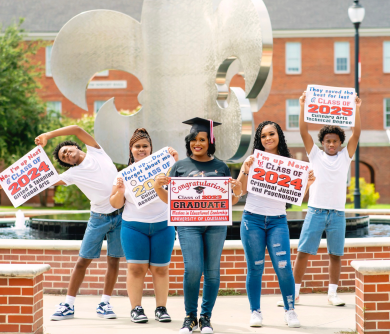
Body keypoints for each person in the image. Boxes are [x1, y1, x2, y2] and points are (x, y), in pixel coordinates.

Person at [153, 117, 242, 334]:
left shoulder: (221, 167)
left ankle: (206, 317)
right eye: (194, 139)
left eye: (202, 139)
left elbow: (229, 201)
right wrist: (158, 186)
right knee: (193, 269)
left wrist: (237, 190)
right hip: (187, 224)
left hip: (215, 225)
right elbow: (170, 200)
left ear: (210, 142)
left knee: (212, 272)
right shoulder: (179, 167)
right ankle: (190, 316)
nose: (197, 143)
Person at [33, 125, 123, 320]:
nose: (66, 154)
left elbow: (76, 128)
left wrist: (48, 135)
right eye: (63, 157)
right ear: (67, 163)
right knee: (83, 260)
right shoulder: (72, 174)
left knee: (114, 260)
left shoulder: (96, 151)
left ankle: (105, 303)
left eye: (66, 150)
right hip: (98, 218)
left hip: (121, 214)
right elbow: (43, 179)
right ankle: (68, 304)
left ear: (75, 147)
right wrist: (7, 182)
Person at [285, 92, 362, 307]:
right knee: (303, 252)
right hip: (316, 211)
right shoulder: (315, 155)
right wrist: (302, 105)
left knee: (335, 254)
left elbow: (357, 133)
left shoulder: (346, 156)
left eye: (335, 141)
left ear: (340, 143)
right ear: (322, 142)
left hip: (337, 213)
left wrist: (357, 108)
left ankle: (332, 294)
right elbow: (303, 131)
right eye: (327, 141)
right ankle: (294, 293)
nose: (331, 144)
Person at [237, 121, 315, 328]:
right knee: (255, 268)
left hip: (277, 221)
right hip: (252, 219)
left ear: (279, 135)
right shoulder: (253, 160)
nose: (268, 138)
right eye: (263, 136)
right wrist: (245, 169)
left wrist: (307, 183)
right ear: (259, 139)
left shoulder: (290, 163)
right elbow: (239, 191)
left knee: (283, 267)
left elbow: (293, 197)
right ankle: (255, 312)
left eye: (271, 134)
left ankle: (290, 311)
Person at [109, 128, 178, 323]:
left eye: (145, 146)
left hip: (163, 225)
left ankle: (161, 308)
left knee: (161, 269)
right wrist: (120, 191)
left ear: (151, 149)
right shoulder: (123, 174)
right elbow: (115, 204)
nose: (141, 149)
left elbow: (178, 189)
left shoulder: (166, 167)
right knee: (136, 269)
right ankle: (136, 308)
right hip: (133, 227)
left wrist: (174, 160)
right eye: (137, 146)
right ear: (131, 149)